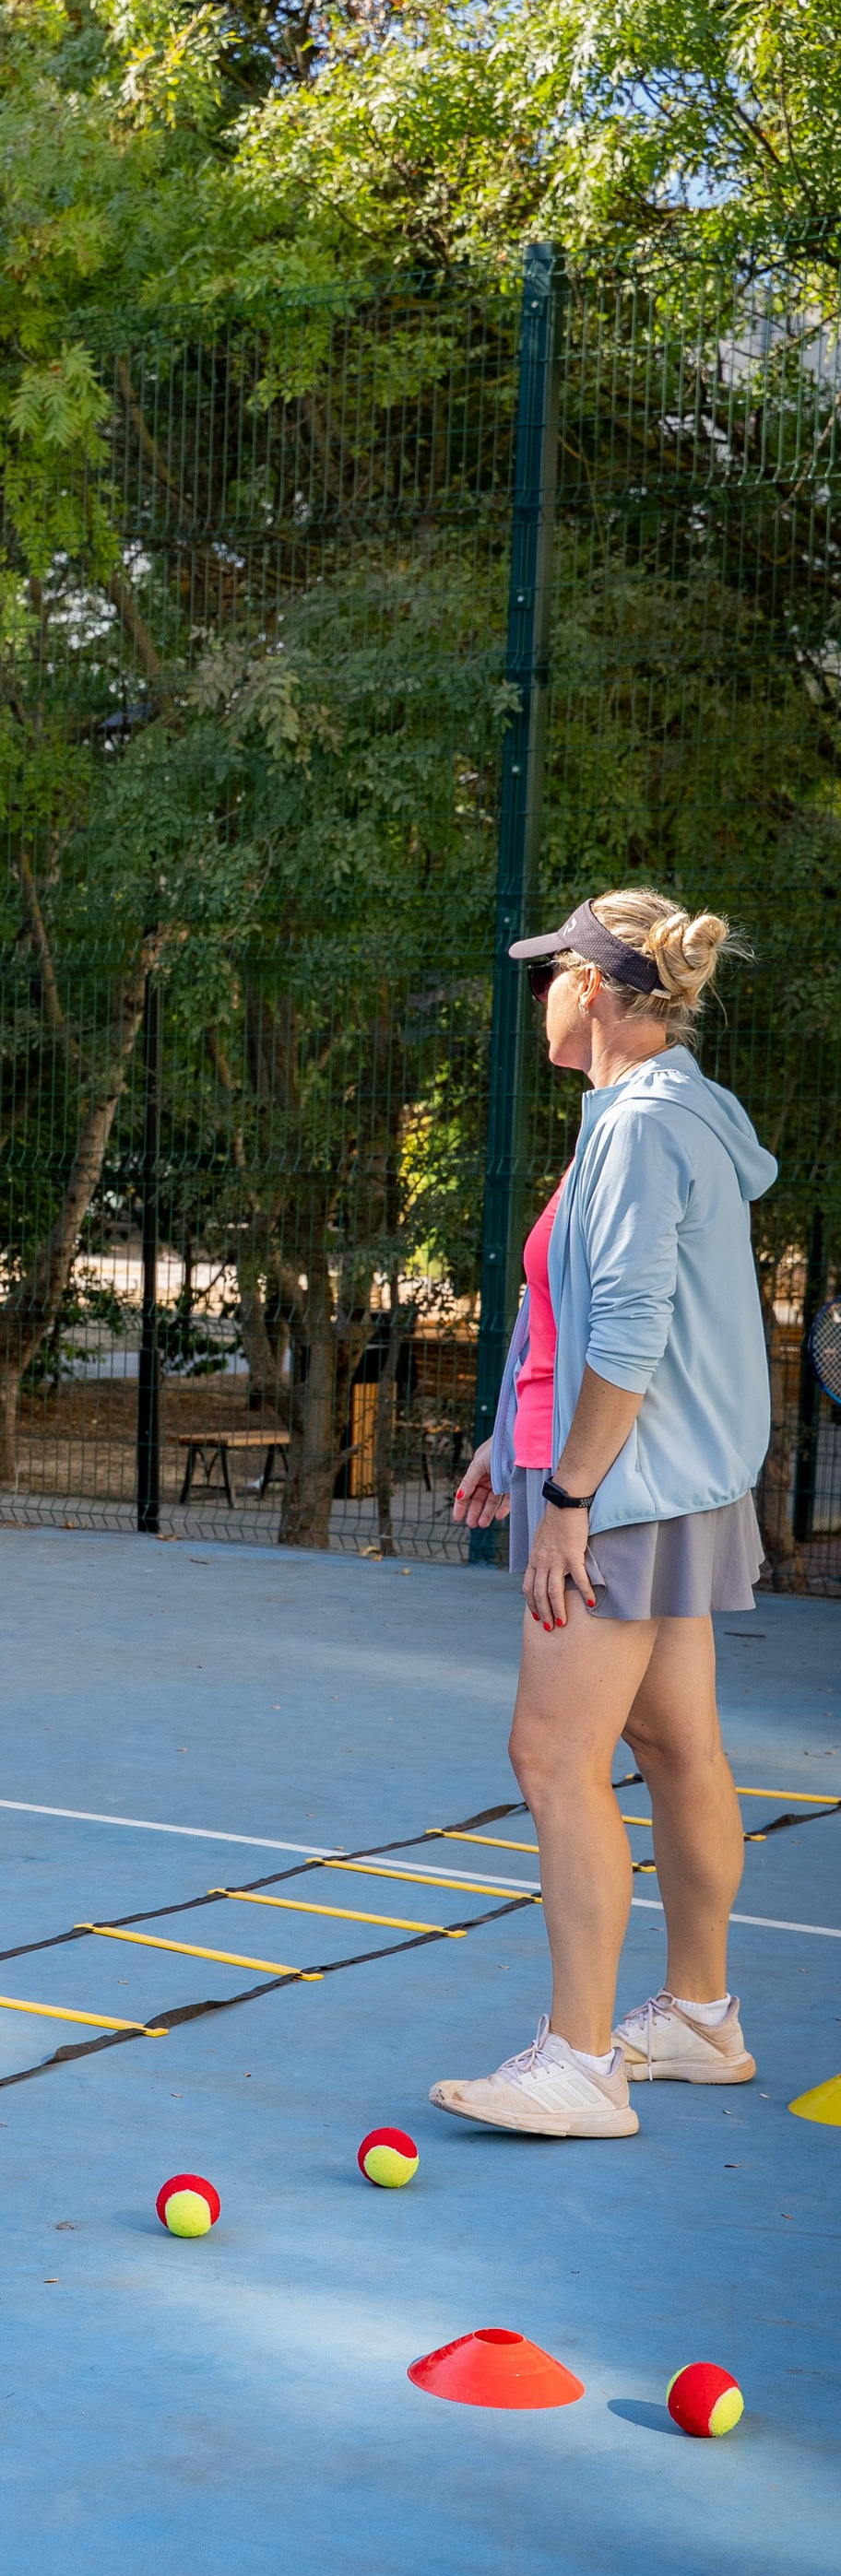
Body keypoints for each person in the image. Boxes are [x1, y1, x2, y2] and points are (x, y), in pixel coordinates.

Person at [436, 890, 776, 2140]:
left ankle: (580, 2060)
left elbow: (633, 1332)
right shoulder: (648, 1113)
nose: (538, 999)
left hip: (620, 1487)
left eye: (549, 976)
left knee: (552, 1757)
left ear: (593, 986)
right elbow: (573, 1309)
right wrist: (509, 1436)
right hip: (652, 1479)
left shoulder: (638, 1130)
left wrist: (569, 1494)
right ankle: (697, 2018)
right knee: (677, 1749)